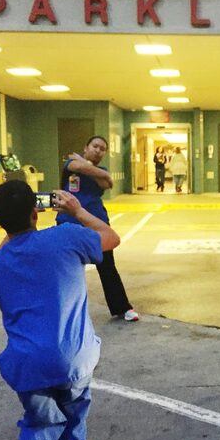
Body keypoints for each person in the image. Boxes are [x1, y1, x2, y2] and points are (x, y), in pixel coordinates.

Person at [0, 180, 120, 440]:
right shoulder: (66, 237)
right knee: (75, 408)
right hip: (73, 357)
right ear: (36, 212)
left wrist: (13, 231)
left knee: (40, 423)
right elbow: (111, 238)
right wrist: (77, 210)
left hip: (28, 367)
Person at [58, 135, 139, 322]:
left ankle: (122, 308)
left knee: (107, 267)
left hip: (97, 223)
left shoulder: (99, 169)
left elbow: (106, 183)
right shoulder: (71, 164)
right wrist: (96, 171)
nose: (98, 150)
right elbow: (79, 168)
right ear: (85, 147)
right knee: (66, 269)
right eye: (95, 146)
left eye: (102, 149)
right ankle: (64, 311)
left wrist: (99, 172)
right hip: (69, 223)